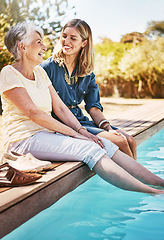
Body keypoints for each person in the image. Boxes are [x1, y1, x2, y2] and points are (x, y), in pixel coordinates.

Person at [0, 22, 164, 195]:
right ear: (22, 47)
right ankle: (154, 193)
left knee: (104, 143)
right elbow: (34, 114)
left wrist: (83, 132)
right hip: (23, 141)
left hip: (46, 136)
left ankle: (159, 182)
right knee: (90, 149)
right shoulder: (9, 73)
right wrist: (76, 134)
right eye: (38, 42)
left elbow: (61, 108)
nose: (44, 46)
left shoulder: (40, 73)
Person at [40, 19, 137, 160]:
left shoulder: (87, 72)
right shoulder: (48, 67)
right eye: (64, 36)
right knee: (119, 142)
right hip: (62, 124)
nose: (66, 41)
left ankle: (137, 178)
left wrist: (108, 127)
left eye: (73, 38)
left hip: (81, 120)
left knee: (130, 140)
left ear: (84, 43)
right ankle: (135, 181)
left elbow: (93, 107)